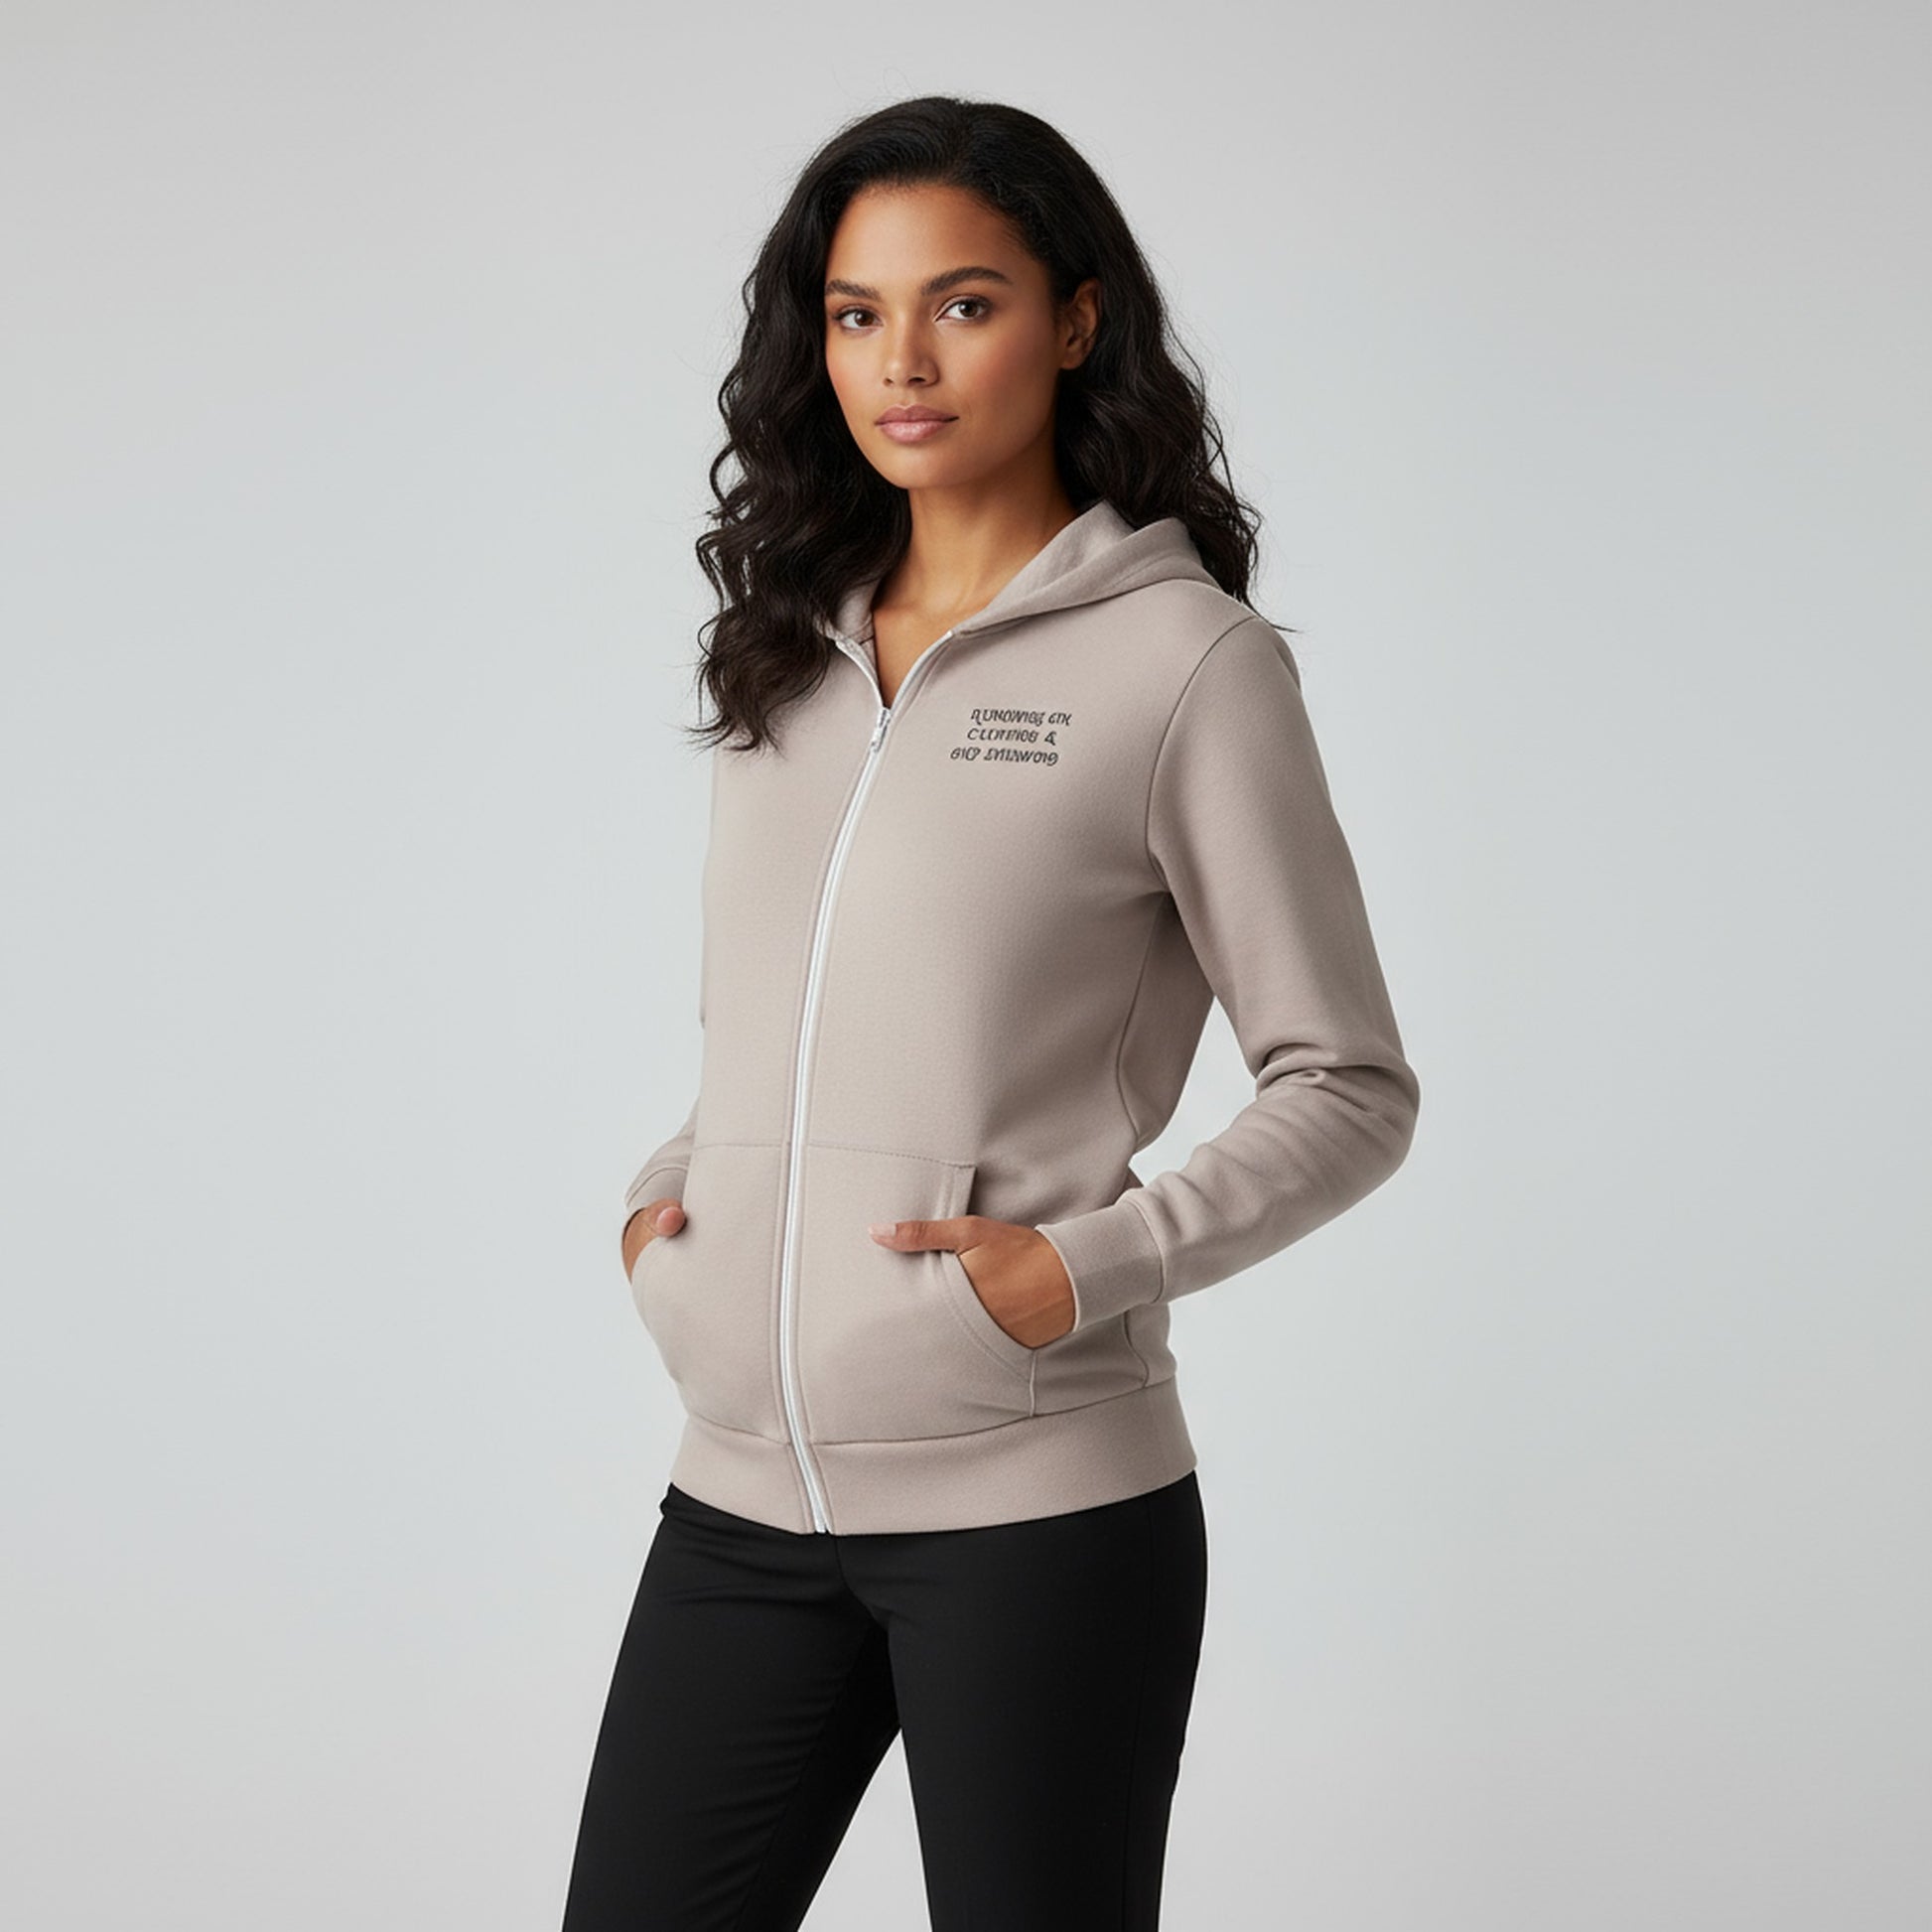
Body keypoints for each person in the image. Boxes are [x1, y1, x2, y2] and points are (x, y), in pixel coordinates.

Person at [561, 94, 1422, 1932]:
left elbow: (1346, 1083)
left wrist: (1082, 1266)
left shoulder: (1186, 665)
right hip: (739, 1503)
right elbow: (770, 1034)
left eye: (963, 303)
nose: (903, 361)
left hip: (1037, 1514)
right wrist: (672, 1202)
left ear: (1075, 320)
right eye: (856, 313)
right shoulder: (784, 651)